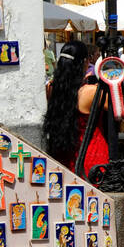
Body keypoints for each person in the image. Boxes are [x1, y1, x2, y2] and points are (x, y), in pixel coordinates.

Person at [41, 38, 109, 178]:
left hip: (63, 155)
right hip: (91, 156)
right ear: (85, 62)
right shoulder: (90, 92)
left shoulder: (51, 89)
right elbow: (122, 107)